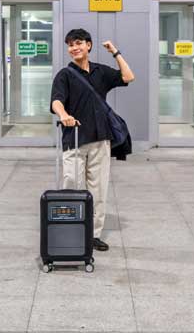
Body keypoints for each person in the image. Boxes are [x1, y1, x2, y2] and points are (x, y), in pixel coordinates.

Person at [50, 28, 135, 252]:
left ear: (88, 45)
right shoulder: (65, 75)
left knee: (98, 189)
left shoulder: (100, 71)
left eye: (78, 43)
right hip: (75, 138)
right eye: (70, 45)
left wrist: (115, 52)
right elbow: (56, 101)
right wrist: (63, 115)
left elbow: (128, 77)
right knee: (72, 185)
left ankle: (93, 235)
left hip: (100, 138)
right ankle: (71, 231)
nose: (74, 48)